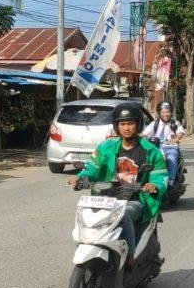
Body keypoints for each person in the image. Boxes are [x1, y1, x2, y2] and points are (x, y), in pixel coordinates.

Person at [69, 102, 168, 263]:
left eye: (130, 123)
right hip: (105, 199)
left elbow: (160, 176)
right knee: (87, 216)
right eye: (122, 124)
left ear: (138, 125)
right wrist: (80, 177)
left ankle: (129, 256)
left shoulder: (151, 151)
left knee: (124, 215)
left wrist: (154, 185)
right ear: (116, 126)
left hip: (136, 199)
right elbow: (92, 168)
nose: (126, 128)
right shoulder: (106, 147)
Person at [142, 100, 185, 186]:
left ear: (171, 112)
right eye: (163, 112)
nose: (166, 114)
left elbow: (180, 132)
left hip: (171, 148)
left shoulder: (175, 123)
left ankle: (170, 182)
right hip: (156, 148)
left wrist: (177, 138)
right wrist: (142, 139)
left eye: (168, 112)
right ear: (159, 113)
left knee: (171, 159)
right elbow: (145, 134)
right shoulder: (154, 124)